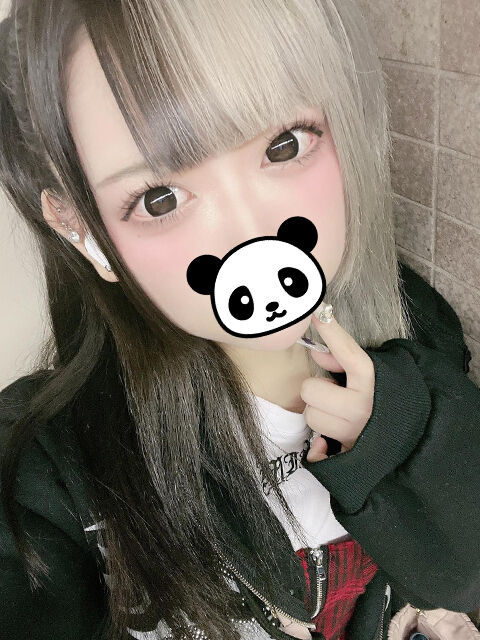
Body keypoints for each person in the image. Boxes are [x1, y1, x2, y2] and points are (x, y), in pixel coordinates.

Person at [0, 1, 479, 639]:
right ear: (83, 232)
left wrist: (399, 437)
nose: (252, 233)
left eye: (285, 145)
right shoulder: (44, 471)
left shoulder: (418, 328)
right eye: (159, 199)